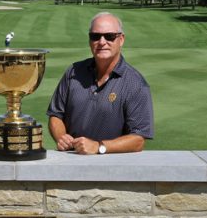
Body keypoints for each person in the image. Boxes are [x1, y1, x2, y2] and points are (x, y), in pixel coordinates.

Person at [46, 12, 153, 155]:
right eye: (95, 36)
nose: (102, 42)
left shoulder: (135, 83)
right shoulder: (73, 72)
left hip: (112, 167)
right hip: (71, 160)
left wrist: (99, 147)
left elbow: (138, 139)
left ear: (121, 39)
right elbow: (55, 115)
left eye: (109, 36)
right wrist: (61, 137)